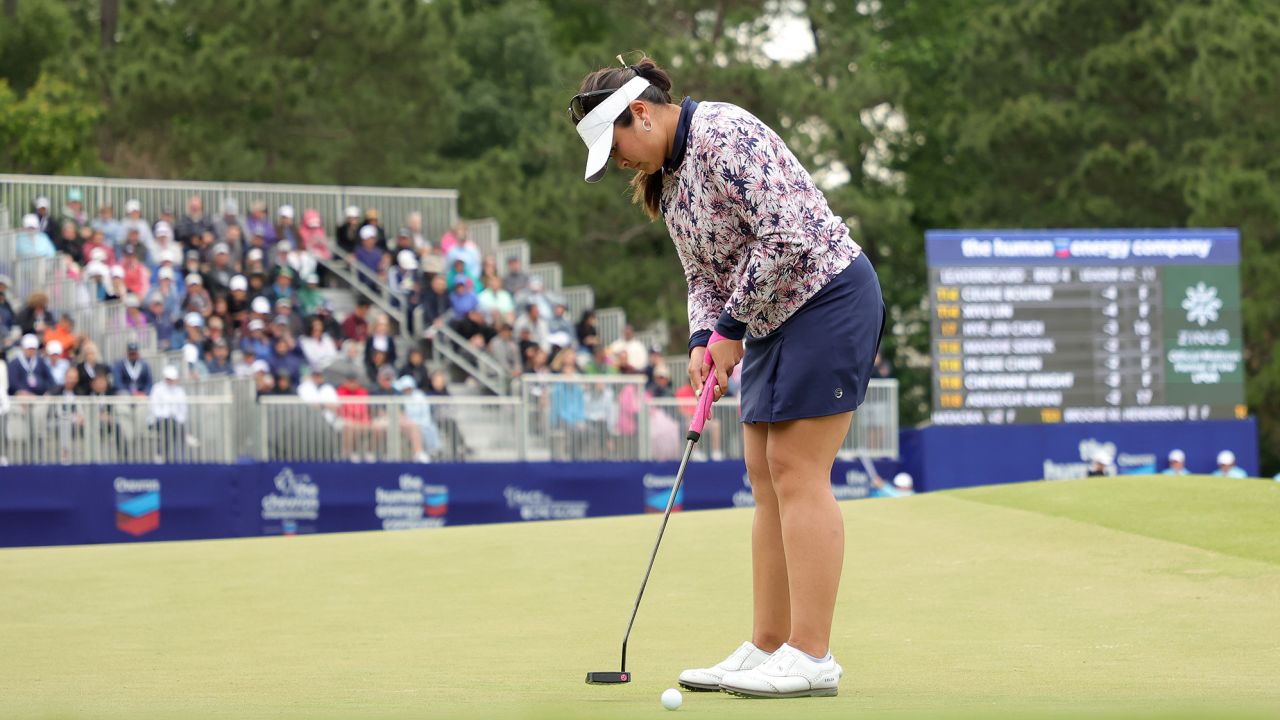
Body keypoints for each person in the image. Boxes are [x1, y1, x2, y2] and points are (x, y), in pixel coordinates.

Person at [570, 56, 885, 697]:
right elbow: (701, 275)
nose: (622, 163)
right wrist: (700, 338)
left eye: (618, 146)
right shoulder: (672, 178)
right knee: (766, 478)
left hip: (826, 300)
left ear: (641, 113)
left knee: (798, 472)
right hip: (768, 318)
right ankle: (768, 645)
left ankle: (812, 654)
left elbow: (785, 234)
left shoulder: (725, 132)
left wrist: (729, 329)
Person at [149, 365, 189, 462]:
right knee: (169, 425)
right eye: (170, 379)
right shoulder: (157, 388)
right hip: (157, 421)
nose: (171, 382)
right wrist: (167, 416)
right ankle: (166, 455)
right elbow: (154, 409)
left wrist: (176, 419)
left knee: (172, 426)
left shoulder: (180, 391)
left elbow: (183, 410)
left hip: (175, 423)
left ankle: (169, 456)